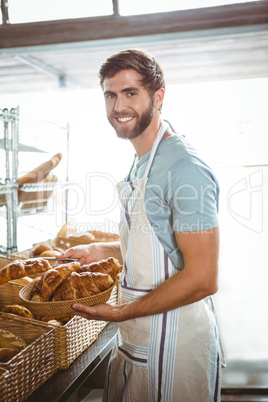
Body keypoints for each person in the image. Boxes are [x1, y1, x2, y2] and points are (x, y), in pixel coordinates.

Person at [59, 49, 224, 402]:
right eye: (110, 95)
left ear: (158, 96)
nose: (119, 106)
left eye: (130, 93)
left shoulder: (183, 168)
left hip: (174, 347)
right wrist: (100, 250)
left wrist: (120, 311)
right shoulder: (144, 161)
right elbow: (163, 246)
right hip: (139, 340)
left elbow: (203, 277)